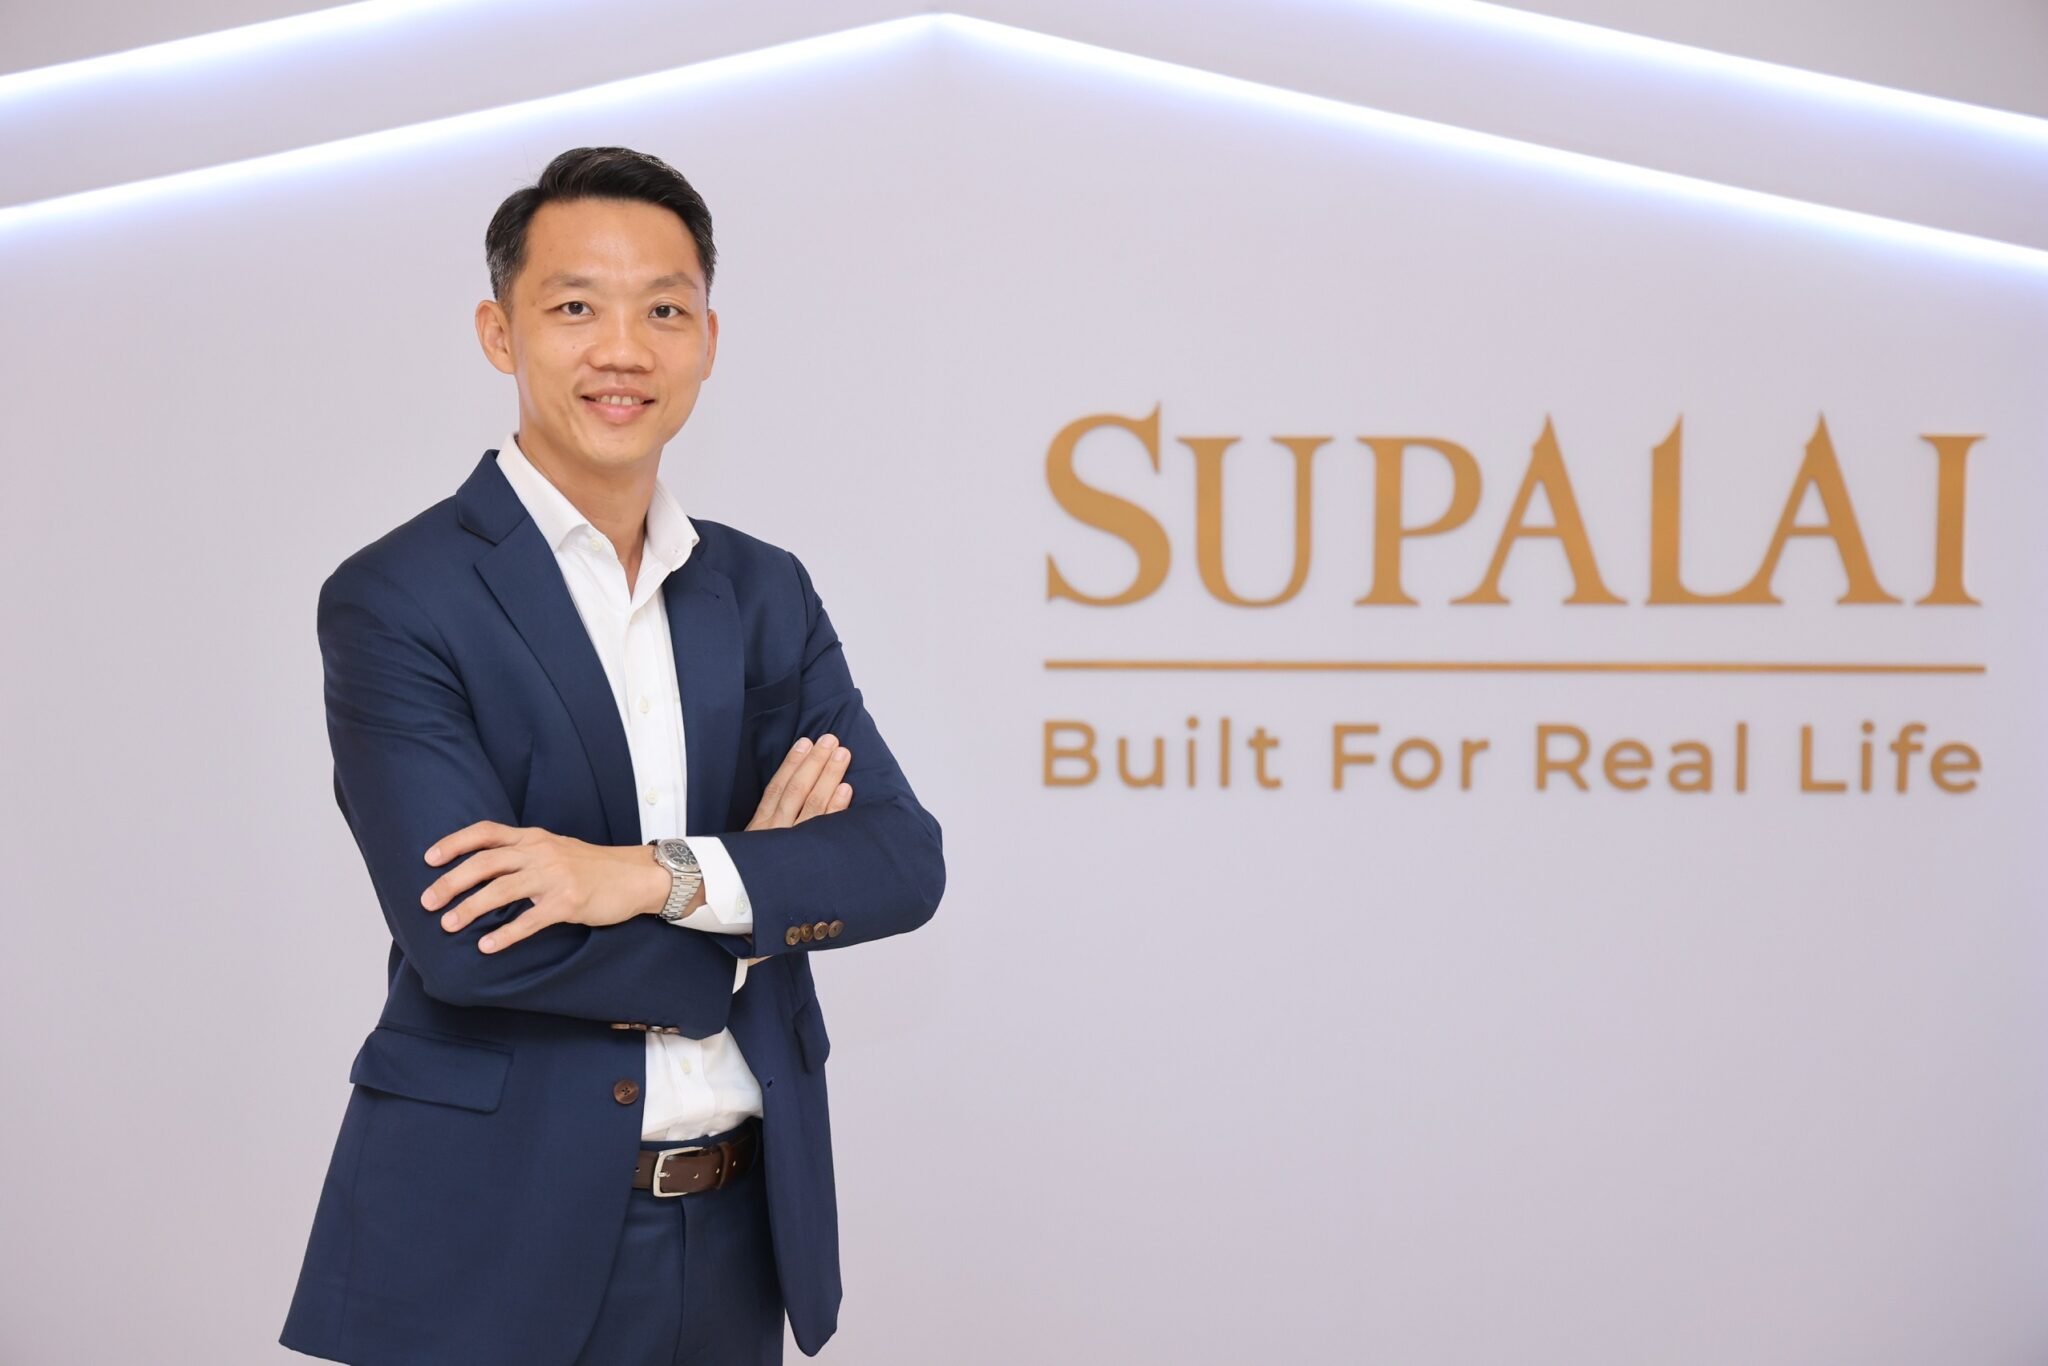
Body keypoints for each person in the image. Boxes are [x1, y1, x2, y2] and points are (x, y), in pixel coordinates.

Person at [279, 145, 945, 1366]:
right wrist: (747, 915)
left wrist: (641, 877)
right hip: (488, 1238)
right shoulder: (399, 598)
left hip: (736, 1228)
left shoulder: (763, 591)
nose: (623, 350)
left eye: (663, 310)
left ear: (708, 338)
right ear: (499, 332)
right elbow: (470, 939)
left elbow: (899, 862)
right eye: (575, 307)